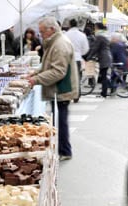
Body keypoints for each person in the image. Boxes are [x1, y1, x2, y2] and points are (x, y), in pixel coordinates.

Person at [26, 17, 78, 161]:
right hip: (59, 89)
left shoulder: (60, 45)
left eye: (42, 32)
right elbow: (48, 65)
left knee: (60, 121)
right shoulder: (55, 42)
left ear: (52, 30)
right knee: (58, 120)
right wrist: (35, 73)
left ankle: (64, 151)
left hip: (62, 89)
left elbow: (58, 71)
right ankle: (62, 149)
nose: (40, 34)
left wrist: (36, 79)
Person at [65, 19, 89, 103]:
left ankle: (68, 95)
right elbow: (86, 49)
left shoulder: (66, 35)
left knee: (68, 77)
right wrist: (79, 53)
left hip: (67, 58)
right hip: (77, 58)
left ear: (69, 25)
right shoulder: (82, 35)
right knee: (77, 77)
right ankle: (77, 95)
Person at [85, 22, 112, 98]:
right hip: (106, 56)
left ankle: (104, 92)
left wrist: (89, 56)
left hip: (104, 58)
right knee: (103, 75)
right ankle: (105, 90)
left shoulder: (99, 36)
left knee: (103, 76)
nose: (94, 29)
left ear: (97, 28)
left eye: (95, 28)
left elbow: (95, 48)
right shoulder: (105, 35)